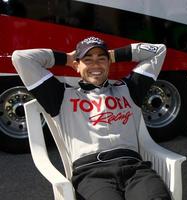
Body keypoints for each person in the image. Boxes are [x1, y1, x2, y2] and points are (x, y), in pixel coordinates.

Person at [12, 36, 170, 200]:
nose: (95, 65)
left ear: (109, 63)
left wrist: (114, 55)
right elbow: (21, 58)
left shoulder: (129, 89)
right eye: (88, 60)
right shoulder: (60, 95)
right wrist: (67, 58)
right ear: (77, 65)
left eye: (101, 59)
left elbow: (159, 51)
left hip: (134, 169)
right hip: (91, 174)